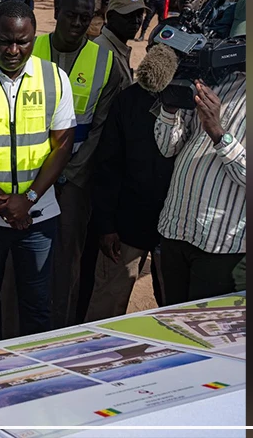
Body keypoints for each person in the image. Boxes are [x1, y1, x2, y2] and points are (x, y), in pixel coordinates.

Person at [0, 1, 77, 343]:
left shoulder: (55, 79)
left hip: (39, 213)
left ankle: (34, 375)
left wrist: (29, 198)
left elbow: (62, 145)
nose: (13, 50)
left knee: (36, 303)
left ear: (35, 37)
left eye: (23, 42)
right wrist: (1, 201)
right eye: (5, 40)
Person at [25, 0, 121, 327]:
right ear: (57, 11)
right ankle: (14, 333)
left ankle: (58, 330)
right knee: (19, 257)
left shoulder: (105, 62)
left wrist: (69, 175)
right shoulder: (28, 49)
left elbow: (100, 129)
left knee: (65, 261)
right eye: (71, 15)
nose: (78, 23)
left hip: (74, 181)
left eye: (85, 16)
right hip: (25, 175)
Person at [85, 44, 178, 321]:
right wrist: (106, 226)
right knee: (107, 306)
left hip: (172, 230)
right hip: (125, 227)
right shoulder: (127, 101)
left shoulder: (193, 103)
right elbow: (107, 165)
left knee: (175, 310)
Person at [154, 69, 247, 303]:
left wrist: (217, 132)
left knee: (204, 331)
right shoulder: (217, 79)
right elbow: (167, 147)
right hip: (176, 227)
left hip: (221, 244)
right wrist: (170, 106)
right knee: (171, 323)